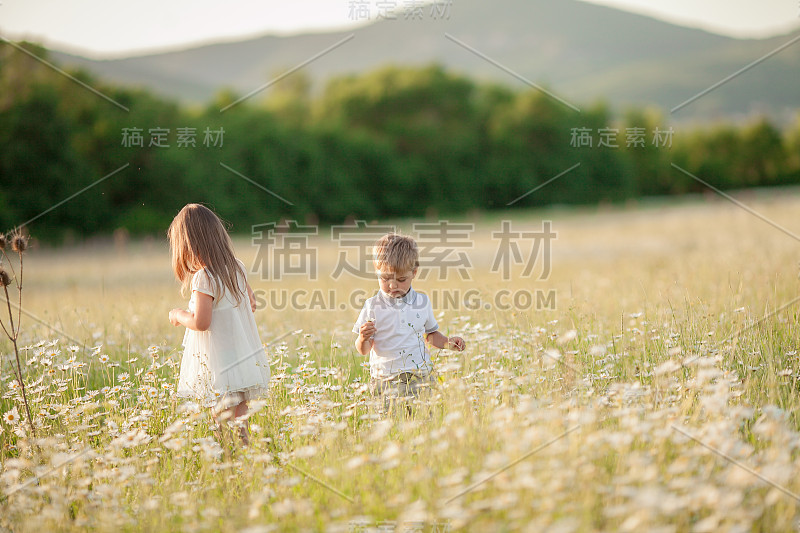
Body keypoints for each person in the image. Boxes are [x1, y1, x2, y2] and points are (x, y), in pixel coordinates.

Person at [167, 203, 269, 445]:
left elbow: (201, 323)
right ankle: (245, 456)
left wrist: (179, 314)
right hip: (241, 356)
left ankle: (227, 462)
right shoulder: (236, 268)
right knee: (240, 417)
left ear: (188, 246)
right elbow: (251, 302)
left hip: (219, 361)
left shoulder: (204, 277)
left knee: (221, 419)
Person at [353, 233, 466, 404]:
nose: (392, 285)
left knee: (424, 418)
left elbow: (430, 336)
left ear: (414, 273)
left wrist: (448, 343)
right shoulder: (372, 306)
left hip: (420, 377)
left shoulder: (422, 301)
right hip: (385, 380)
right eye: (385, 278)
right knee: (388, 423)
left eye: (401, 279)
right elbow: (363, 350)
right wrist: (363, 338)